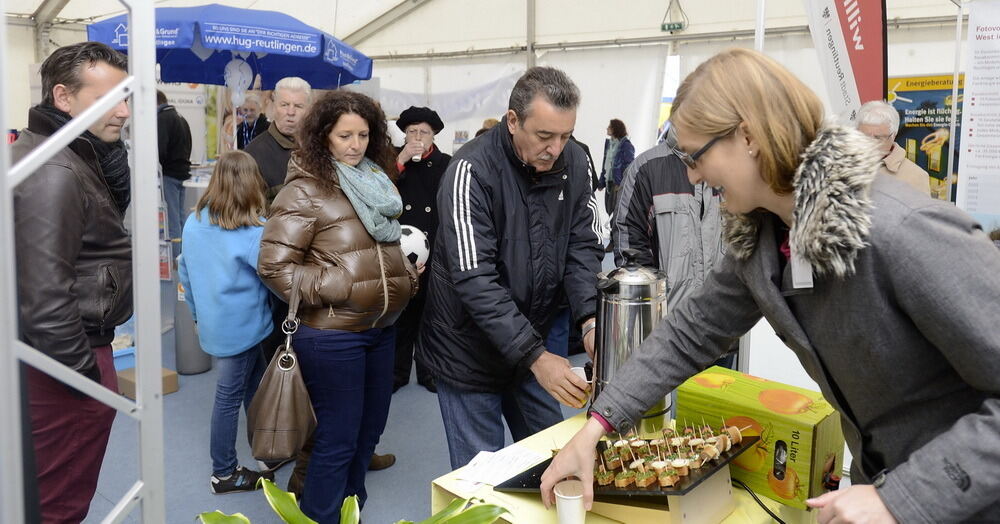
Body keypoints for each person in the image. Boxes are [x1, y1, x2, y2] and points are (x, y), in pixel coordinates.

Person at [541, 48, 1000, 523]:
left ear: (748, 136)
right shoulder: (763, 241)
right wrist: (598, 424)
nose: (692, 175)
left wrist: (899, 499)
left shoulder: (905, 231)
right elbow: (687, 334)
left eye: (695, 156)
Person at [417, 66, 603, 470]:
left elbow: (583, 246)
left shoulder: (575, 161)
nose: (556, 148)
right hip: (467, 352)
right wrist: (538, 357)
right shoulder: (470, 171)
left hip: (528, 341)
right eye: (544, 136)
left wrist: (589, 319)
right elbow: (475, 279)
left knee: (550, 462)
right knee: (483, 481)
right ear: (513, 120)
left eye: (566, 135)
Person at [258, 90, 418, 523]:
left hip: (381, 329)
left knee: (367, 435)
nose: (356, 144)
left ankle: (350, 511)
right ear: (323, 136)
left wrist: (406, 274)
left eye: (364, 134)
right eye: (345, 135)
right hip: (331, 335)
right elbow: (273, 266)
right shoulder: (305, 190)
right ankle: (321, 515)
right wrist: (331, 283)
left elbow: (380, 247)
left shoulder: (374, 180)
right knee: (337, 438)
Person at [12, 41, 133, 523]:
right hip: (66, 360)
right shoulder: (55, 170)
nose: (124, 112)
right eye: (110, 99)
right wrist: (85, 381)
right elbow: (44, 299)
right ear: (62, 97)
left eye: (126, 98)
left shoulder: (59, 154)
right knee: (59, 503)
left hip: (61, 353)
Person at [178, 151, 274, 494]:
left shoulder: (194, 222)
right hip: (245, 329)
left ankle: (267, 452)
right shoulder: (254, 232)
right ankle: (224, 472)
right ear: (253, 184)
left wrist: (195, 315)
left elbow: (185, 272)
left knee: (256, 389)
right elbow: (272, 279)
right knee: (230, 397)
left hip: (213, 325)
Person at [611, 124, 736, 369]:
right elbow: (630, 251)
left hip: (724, 333)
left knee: (717, 405)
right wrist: (651, 319)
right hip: (667, 337)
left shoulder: (732, 167)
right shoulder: (646, 169)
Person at [392, 106, 451, 393]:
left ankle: (429, 372)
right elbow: (378, 189)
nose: (417, 137)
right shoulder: (391, 160)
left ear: (434, 135)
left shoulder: (447, 164)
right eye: (412, 131)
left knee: (431, 314)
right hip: (397, 248)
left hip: (434, 248)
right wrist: (400, 160)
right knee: (401, 312)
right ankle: (397, 371)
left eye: (423, 132)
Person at [245, 76, 312, 203]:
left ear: (308, 110)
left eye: (298, 106)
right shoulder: (253, 155)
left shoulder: (320, 147)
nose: (290, 112)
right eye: (284, 105)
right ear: (274, 106)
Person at [856, 100, 931, 196]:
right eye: (864, 136)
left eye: (878, 138)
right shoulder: (839, 165)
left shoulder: (916, 176)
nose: (869, 143)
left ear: (893, 136)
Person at [156, 89, 193, 245]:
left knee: (171, 221)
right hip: (181, 173)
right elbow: (189, 145)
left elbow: (159, 150)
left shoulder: (162, 118)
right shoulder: (181, 118)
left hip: (169, 174)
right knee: (179, 218)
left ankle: (176, 262)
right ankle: (184, 256)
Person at [597, 118, 635, 227]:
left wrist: (622, 184)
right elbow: (605, 164)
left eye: (610, 127)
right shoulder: (609, 144)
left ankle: (614, 240)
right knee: (609, 210)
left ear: (615, 129)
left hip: (617, 184)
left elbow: (629, 166)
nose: (607, 128)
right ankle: (612, 238)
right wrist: (601, 182)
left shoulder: (626, 145)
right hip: (609, 182)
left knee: (615, 213)